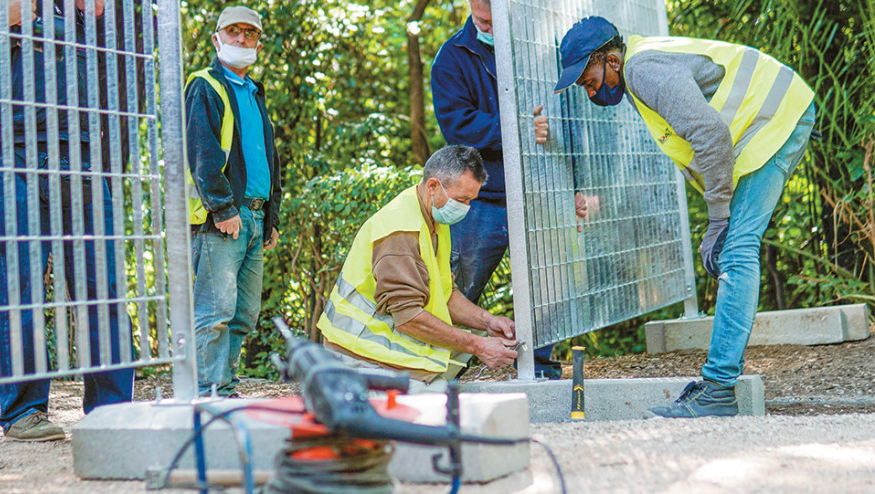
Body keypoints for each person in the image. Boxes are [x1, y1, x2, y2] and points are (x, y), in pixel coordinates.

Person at [551, 16, 816, 417]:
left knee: (736, 250)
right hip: (774, 119)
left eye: (589, 80)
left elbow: (710, 134)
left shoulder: (643, 71)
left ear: (612, 61)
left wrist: (718, 220)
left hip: (776, 119)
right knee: (735, 249)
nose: (589, 91)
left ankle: (719, 389)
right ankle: (718, 386)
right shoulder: (639, 71)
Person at [0, 0, 135, 441]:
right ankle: (24, 412)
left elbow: (120, 65)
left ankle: (111, 409)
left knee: (103, 283)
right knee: (20, 284)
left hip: (81, 154)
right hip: (10, 150)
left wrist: (96, 15)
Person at [431, 0, 587, 378]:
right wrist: (517, 128)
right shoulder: (451, 58)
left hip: (540, 191)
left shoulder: (539, 50)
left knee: (549, 285)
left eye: (495, 17)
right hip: (481, 199)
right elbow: (457, 127)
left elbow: (568, 122)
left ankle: (539, 369)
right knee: (459, 287)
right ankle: (438, 371)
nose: (488, 25)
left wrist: (577, 185)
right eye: (482, 18)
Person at [317, 145, 518, 389]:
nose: (466, 207)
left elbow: (445, 294)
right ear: (433, 186)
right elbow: (409, 318)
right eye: (461, 199)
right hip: (358, 354)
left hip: (379, 346)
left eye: (470, 200)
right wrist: (478, 345)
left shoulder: (432, 216)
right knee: (437, 405)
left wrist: (488, 322)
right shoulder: (401, 232)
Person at [185, 6, 283, 398]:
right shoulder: (205, 85)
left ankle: (224, 388)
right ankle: (209, 393)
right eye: (233, 31)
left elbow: (269, 160)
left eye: (250, 33)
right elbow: (202, 152)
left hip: (255, 216)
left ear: (259, 43)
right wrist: (223, 208)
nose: (241, 38)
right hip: (223, 218)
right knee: (216, 311)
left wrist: (271, 218)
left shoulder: (255, 92)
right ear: (216, 39)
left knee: (244, 314)